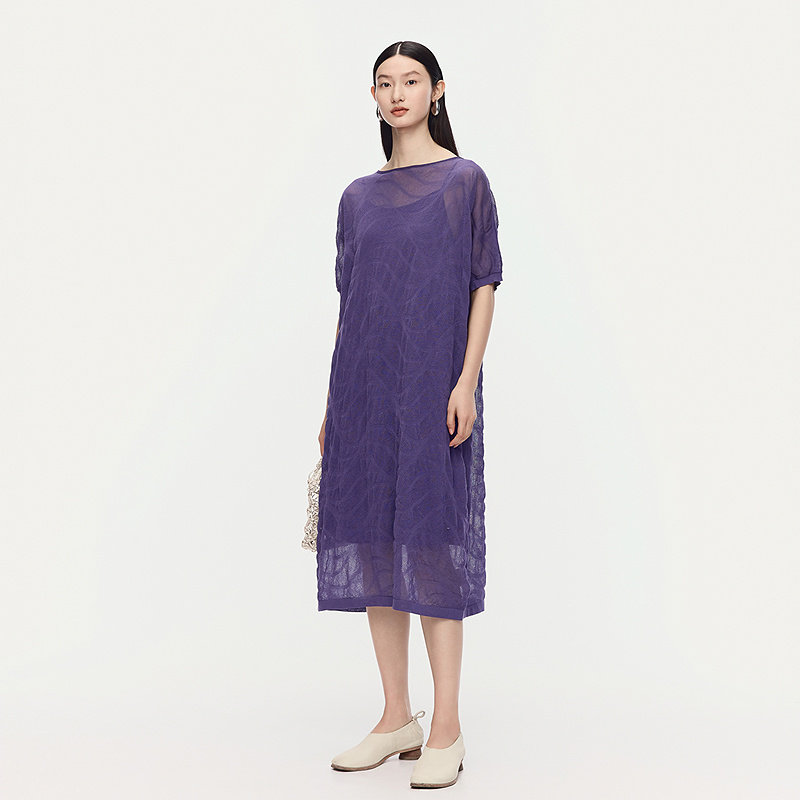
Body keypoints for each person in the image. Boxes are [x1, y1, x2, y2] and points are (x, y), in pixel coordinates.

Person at [316, 40, 503, 790]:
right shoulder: (356, 197)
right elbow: (349, 303)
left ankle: (445, 726)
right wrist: (332, 402)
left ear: (437, 91)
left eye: (412, 81)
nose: (398, 93)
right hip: (363, 390)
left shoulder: (464, 182)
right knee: (372, 548)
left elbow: (483, 283)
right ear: (373, 97)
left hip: (432, 388)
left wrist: (466, 380)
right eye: (385, 83)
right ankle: (397, 716)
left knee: (431, 548)